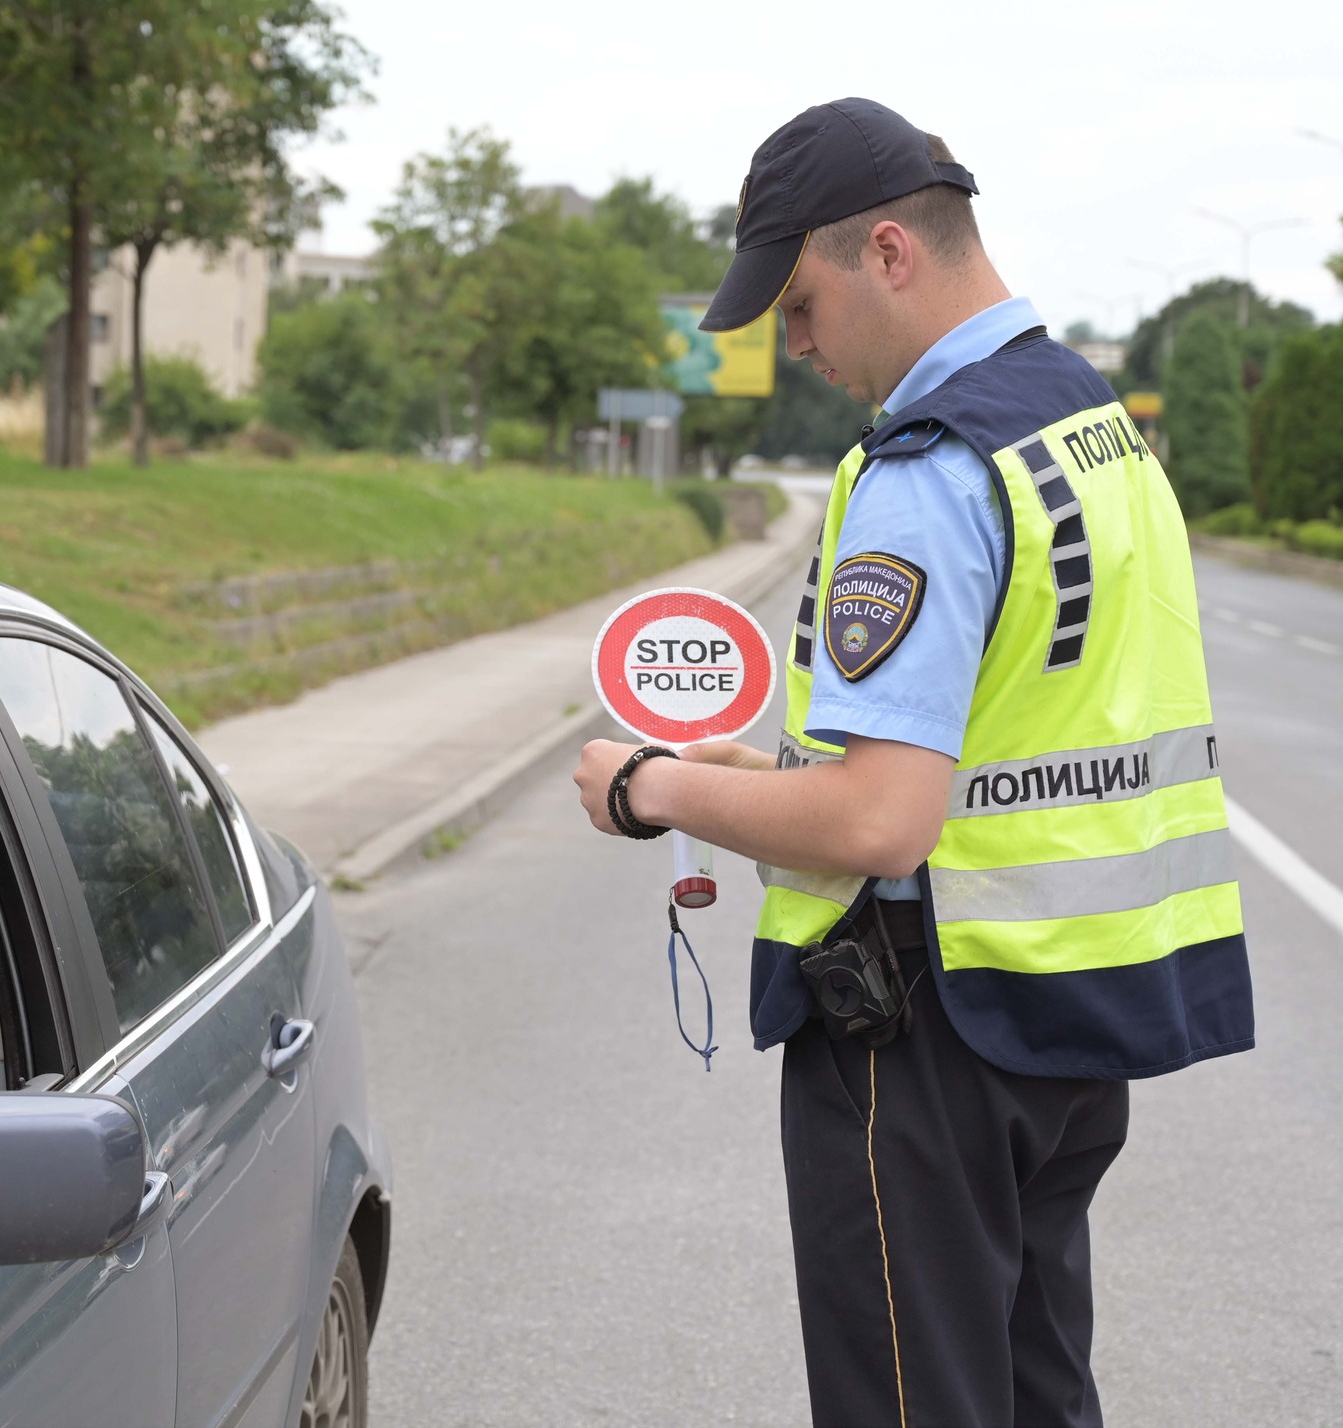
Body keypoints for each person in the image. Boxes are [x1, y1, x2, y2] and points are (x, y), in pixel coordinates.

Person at [573, 98, 1251, 1428]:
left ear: (888, 252)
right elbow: (1007, 731)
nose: (797, 338)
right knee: (1035, 1394)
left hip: (922, 1032)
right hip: (1069, 1016)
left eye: (801, 300)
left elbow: (883, 821)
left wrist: (646, 787)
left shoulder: (929, 468)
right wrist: (768, 764)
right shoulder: (1094, 428)